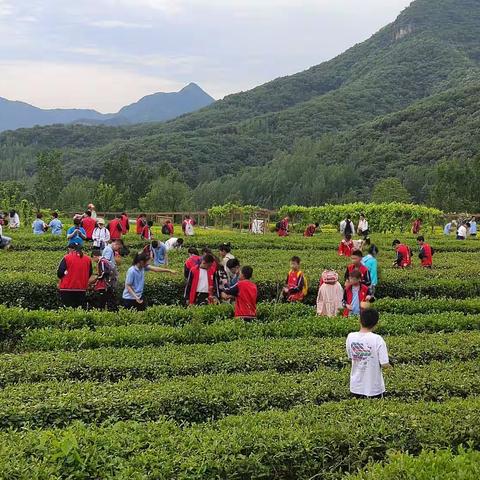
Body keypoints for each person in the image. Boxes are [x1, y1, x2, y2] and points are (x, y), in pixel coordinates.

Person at [346, 309, 390, 399]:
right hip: (374, 388)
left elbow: (351, 357)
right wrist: (392, 369)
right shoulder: (377, 339)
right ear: (376, 323)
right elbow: (384, 364)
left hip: (355, 386)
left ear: (360, 320)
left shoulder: (350, 337)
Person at [57, 244, 94, 308]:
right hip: (82, 288)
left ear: (72, 249)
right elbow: (90, 273)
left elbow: (60, 273)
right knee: (79, 310)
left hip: (67, 288)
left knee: (67, 310)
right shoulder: (88, 259)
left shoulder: (67, 257)